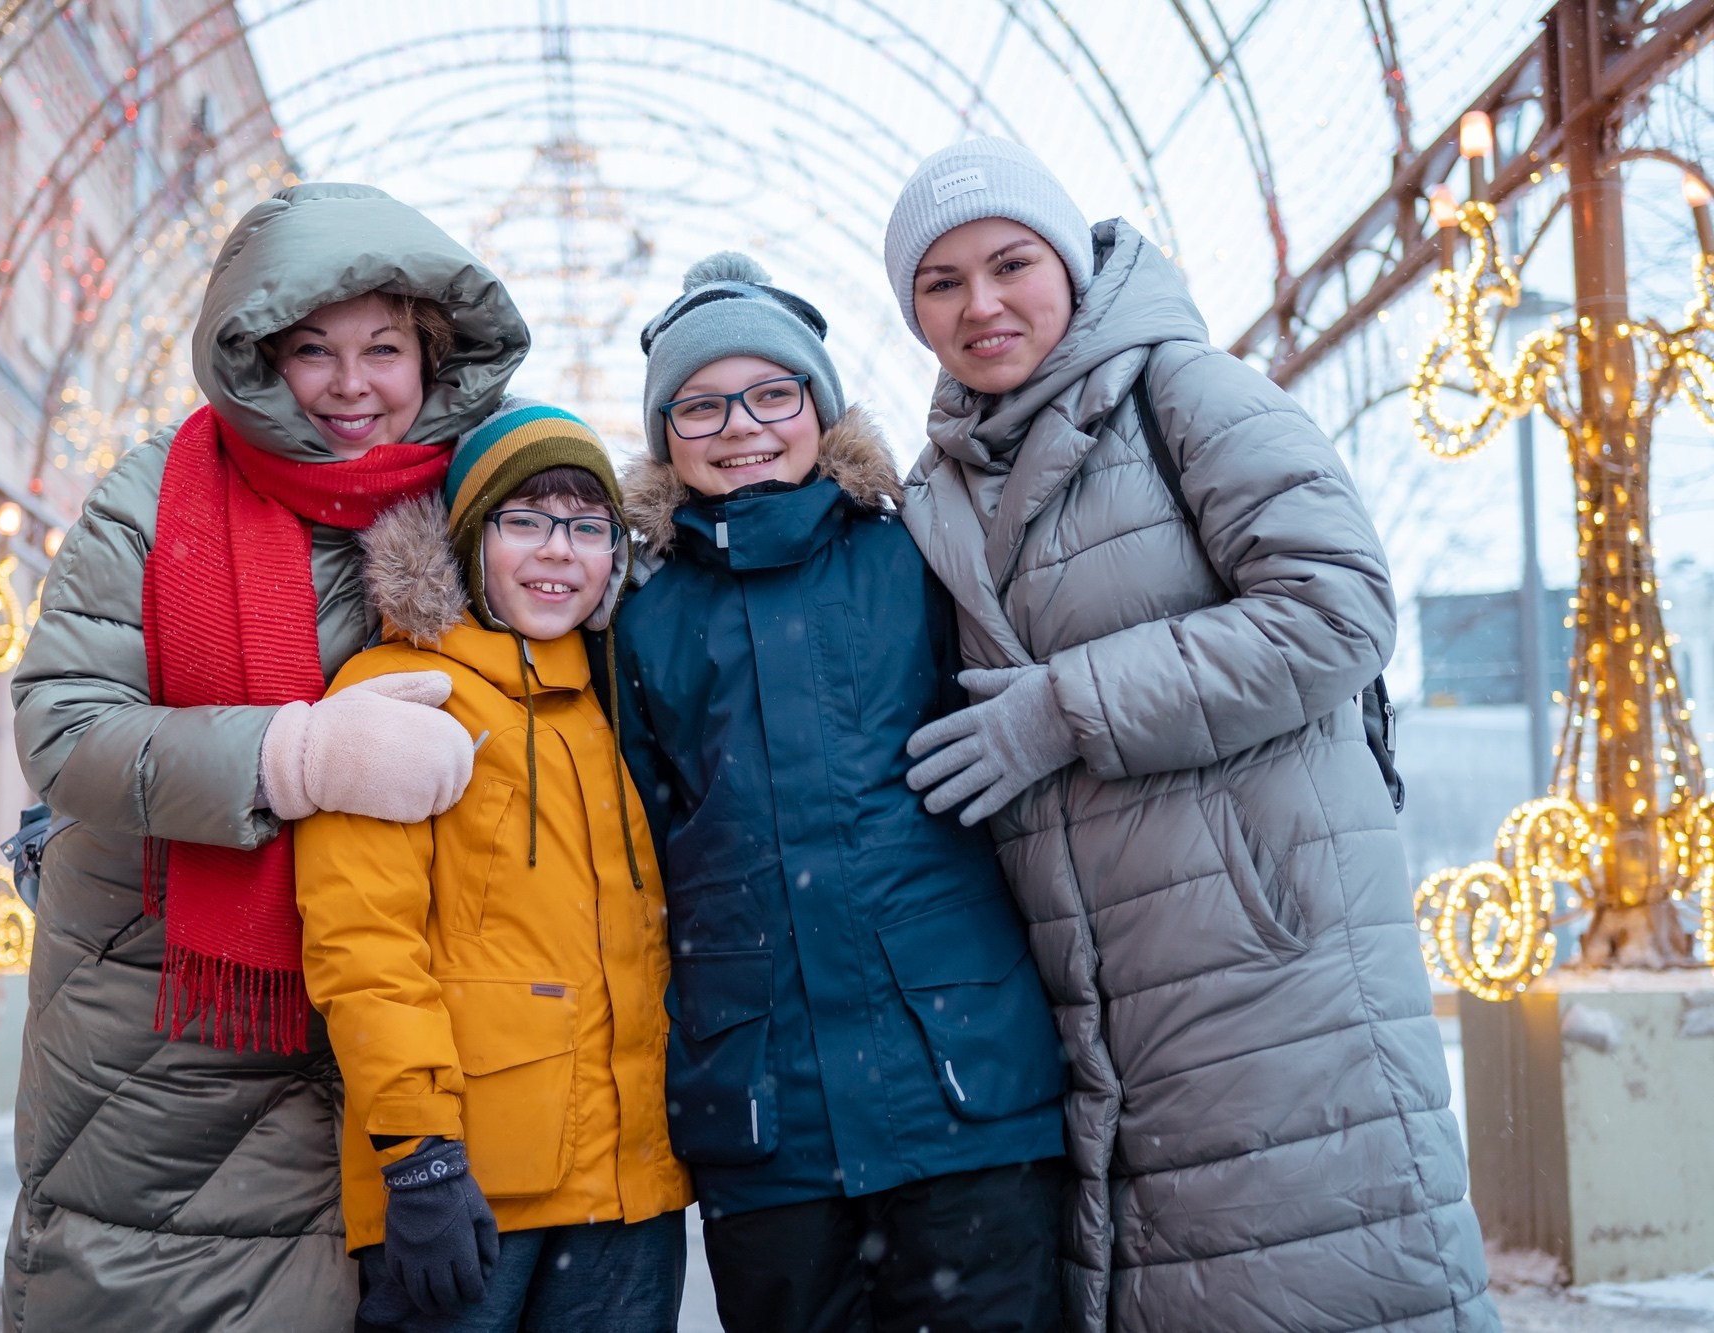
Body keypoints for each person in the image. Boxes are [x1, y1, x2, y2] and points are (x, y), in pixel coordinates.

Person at [884, 137, 1499, 1332]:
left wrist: (1062, 708)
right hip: (1098, 1002)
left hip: (1275, 965)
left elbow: (1337, 608)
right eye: (940, 283)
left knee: (1330, 1275)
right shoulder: (938, 486)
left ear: (1068, 264)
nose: (981, 304)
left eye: (1009, 264)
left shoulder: (1184, 394)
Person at [3, 183, 530, 1331]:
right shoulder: (155, 495)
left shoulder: (487, 496)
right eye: (311, 351)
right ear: (256, 356)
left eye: (382, 349)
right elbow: (62, 726)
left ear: (432, 356)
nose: (350, 385)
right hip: (168, 1033)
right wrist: (292, 756)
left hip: (423, 1036)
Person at [613, 253, 1069, 1333]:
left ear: (818, 407)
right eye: (700, 406)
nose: (741, 427)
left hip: (961, 1079)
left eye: (771, 394)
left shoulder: (916, 552)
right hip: (765, 1114)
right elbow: (643, 835)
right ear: (666, 435)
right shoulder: (639, 614)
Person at [291, 403, 692, 1332]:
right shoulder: (402, 692)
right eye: (526, 520)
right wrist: (419, 1153)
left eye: (587, 527)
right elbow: (364, 945)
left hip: (629, 1191)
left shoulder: (617, 704)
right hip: (469, 1190)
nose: (558, 550)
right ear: (472, 540)